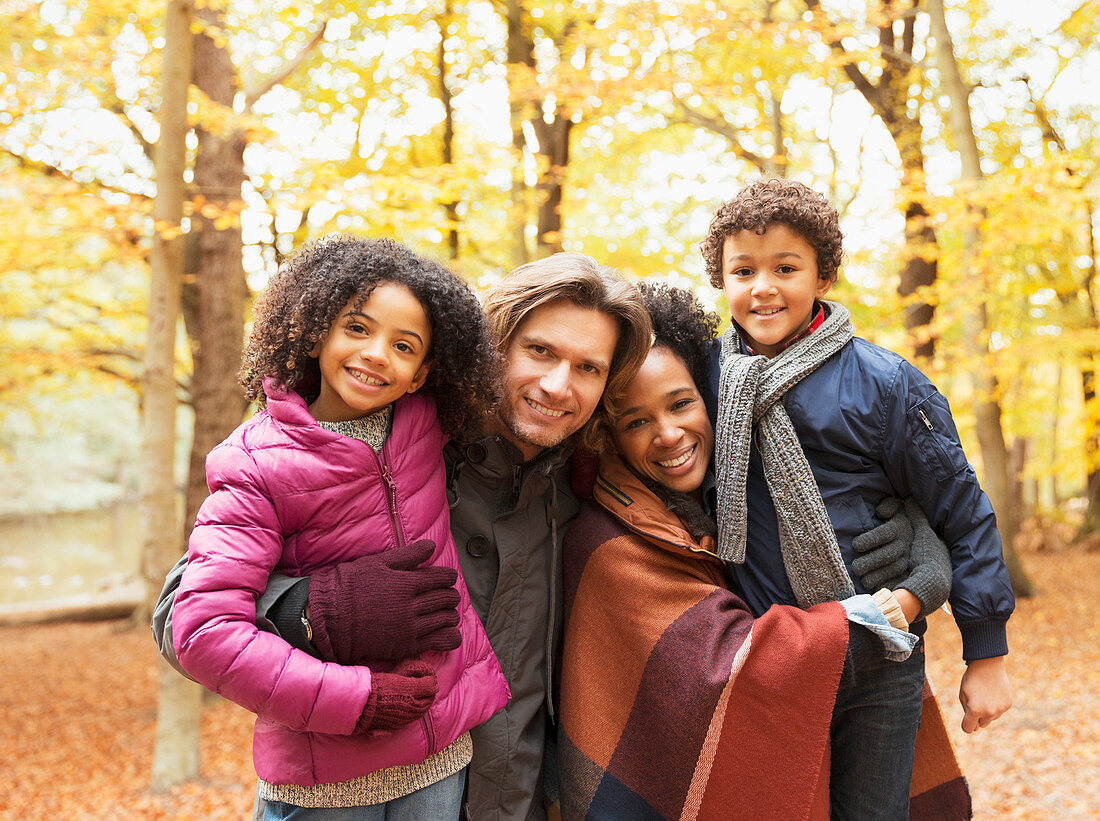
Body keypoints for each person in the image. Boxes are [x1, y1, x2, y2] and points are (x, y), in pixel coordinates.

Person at [154, 251, 929, 821]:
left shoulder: (582, 479)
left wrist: (925, 551)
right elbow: (180, 613)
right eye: (540, 352)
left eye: (588, 369)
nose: (559, 385)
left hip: (517, 799)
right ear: (493, 342)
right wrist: (313, 609)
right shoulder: (393, 440)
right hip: (370, 784)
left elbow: (735, 481)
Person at [559, 282, 969, 821]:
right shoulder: (608, 540)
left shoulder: (734, 500)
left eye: (682, 404)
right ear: (607, 436)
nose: (668, 433)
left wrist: (909, 522)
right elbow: (738, 664)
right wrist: (910, 599)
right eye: (636, 421)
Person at [702, 177, 1015, 819]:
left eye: (786, 268)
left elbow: (961, 509)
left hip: (877, 655)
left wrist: (986, 652)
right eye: (743, 270)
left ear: (823, 275)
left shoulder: (884, 384)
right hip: (766, 656)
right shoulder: (703, 380)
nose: (763, 287)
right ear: (721, 279)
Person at [170, 235, 511, 820]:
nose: (377, 353)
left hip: (439, 764)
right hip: (323, 785)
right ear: (316, 330)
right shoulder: (255, 460)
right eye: (357, 328)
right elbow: (204, 630)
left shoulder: (430, 425)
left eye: (403, 345)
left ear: (421, 374)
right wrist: (354, 700)